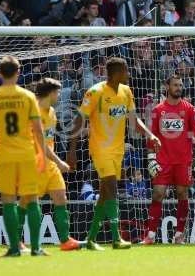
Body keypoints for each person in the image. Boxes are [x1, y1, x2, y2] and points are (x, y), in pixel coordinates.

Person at [67, 57, 160, 251]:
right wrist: (72, 150)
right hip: (100, 148)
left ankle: (91, 239)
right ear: (117, 72)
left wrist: (150, 135)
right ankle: (117, 238)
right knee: (111, 186)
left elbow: (134, 121)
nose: (129, 74)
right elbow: (79, 120)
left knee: (105, 193)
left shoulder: (126, 91)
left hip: (118, 149)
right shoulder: (95, 92)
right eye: (126, 70)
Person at [18, 78, 81, 251]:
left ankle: (65, 240)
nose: (59, 95)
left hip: (49, 165)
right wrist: (59, 161)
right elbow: (40, 143)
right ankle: (16, 240)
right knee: (26, 202)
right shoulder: (33, 111)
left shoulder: (52, 111)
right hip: (34, 163)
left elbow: (49, 139)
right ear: (50, 93)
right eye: (57, 92)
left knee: (61, 197)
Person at [141, 75, 195, 244]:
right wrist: (151, 158)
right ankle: (151, 235)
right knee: (158, 194)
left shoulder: (189, 109)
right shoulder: (157, 110)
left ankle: (179, 235)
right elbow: (151, 136)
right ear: (167, 87)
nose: (179, 87)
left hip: (183, 161)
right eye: (175, 85)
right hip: (163, 160)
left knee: (183, 194)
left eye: (180, 85)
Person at [0, 56, 47, 256]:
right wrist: (42, 153)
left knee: (8, 200)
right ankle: (36, 248)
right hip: (26, 153)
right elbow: (38, 130)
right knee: (32, 199)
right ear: (18, 72)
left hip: (4, 155)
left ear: (0, 73)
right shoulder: (28, 96)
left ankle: (14, 248)